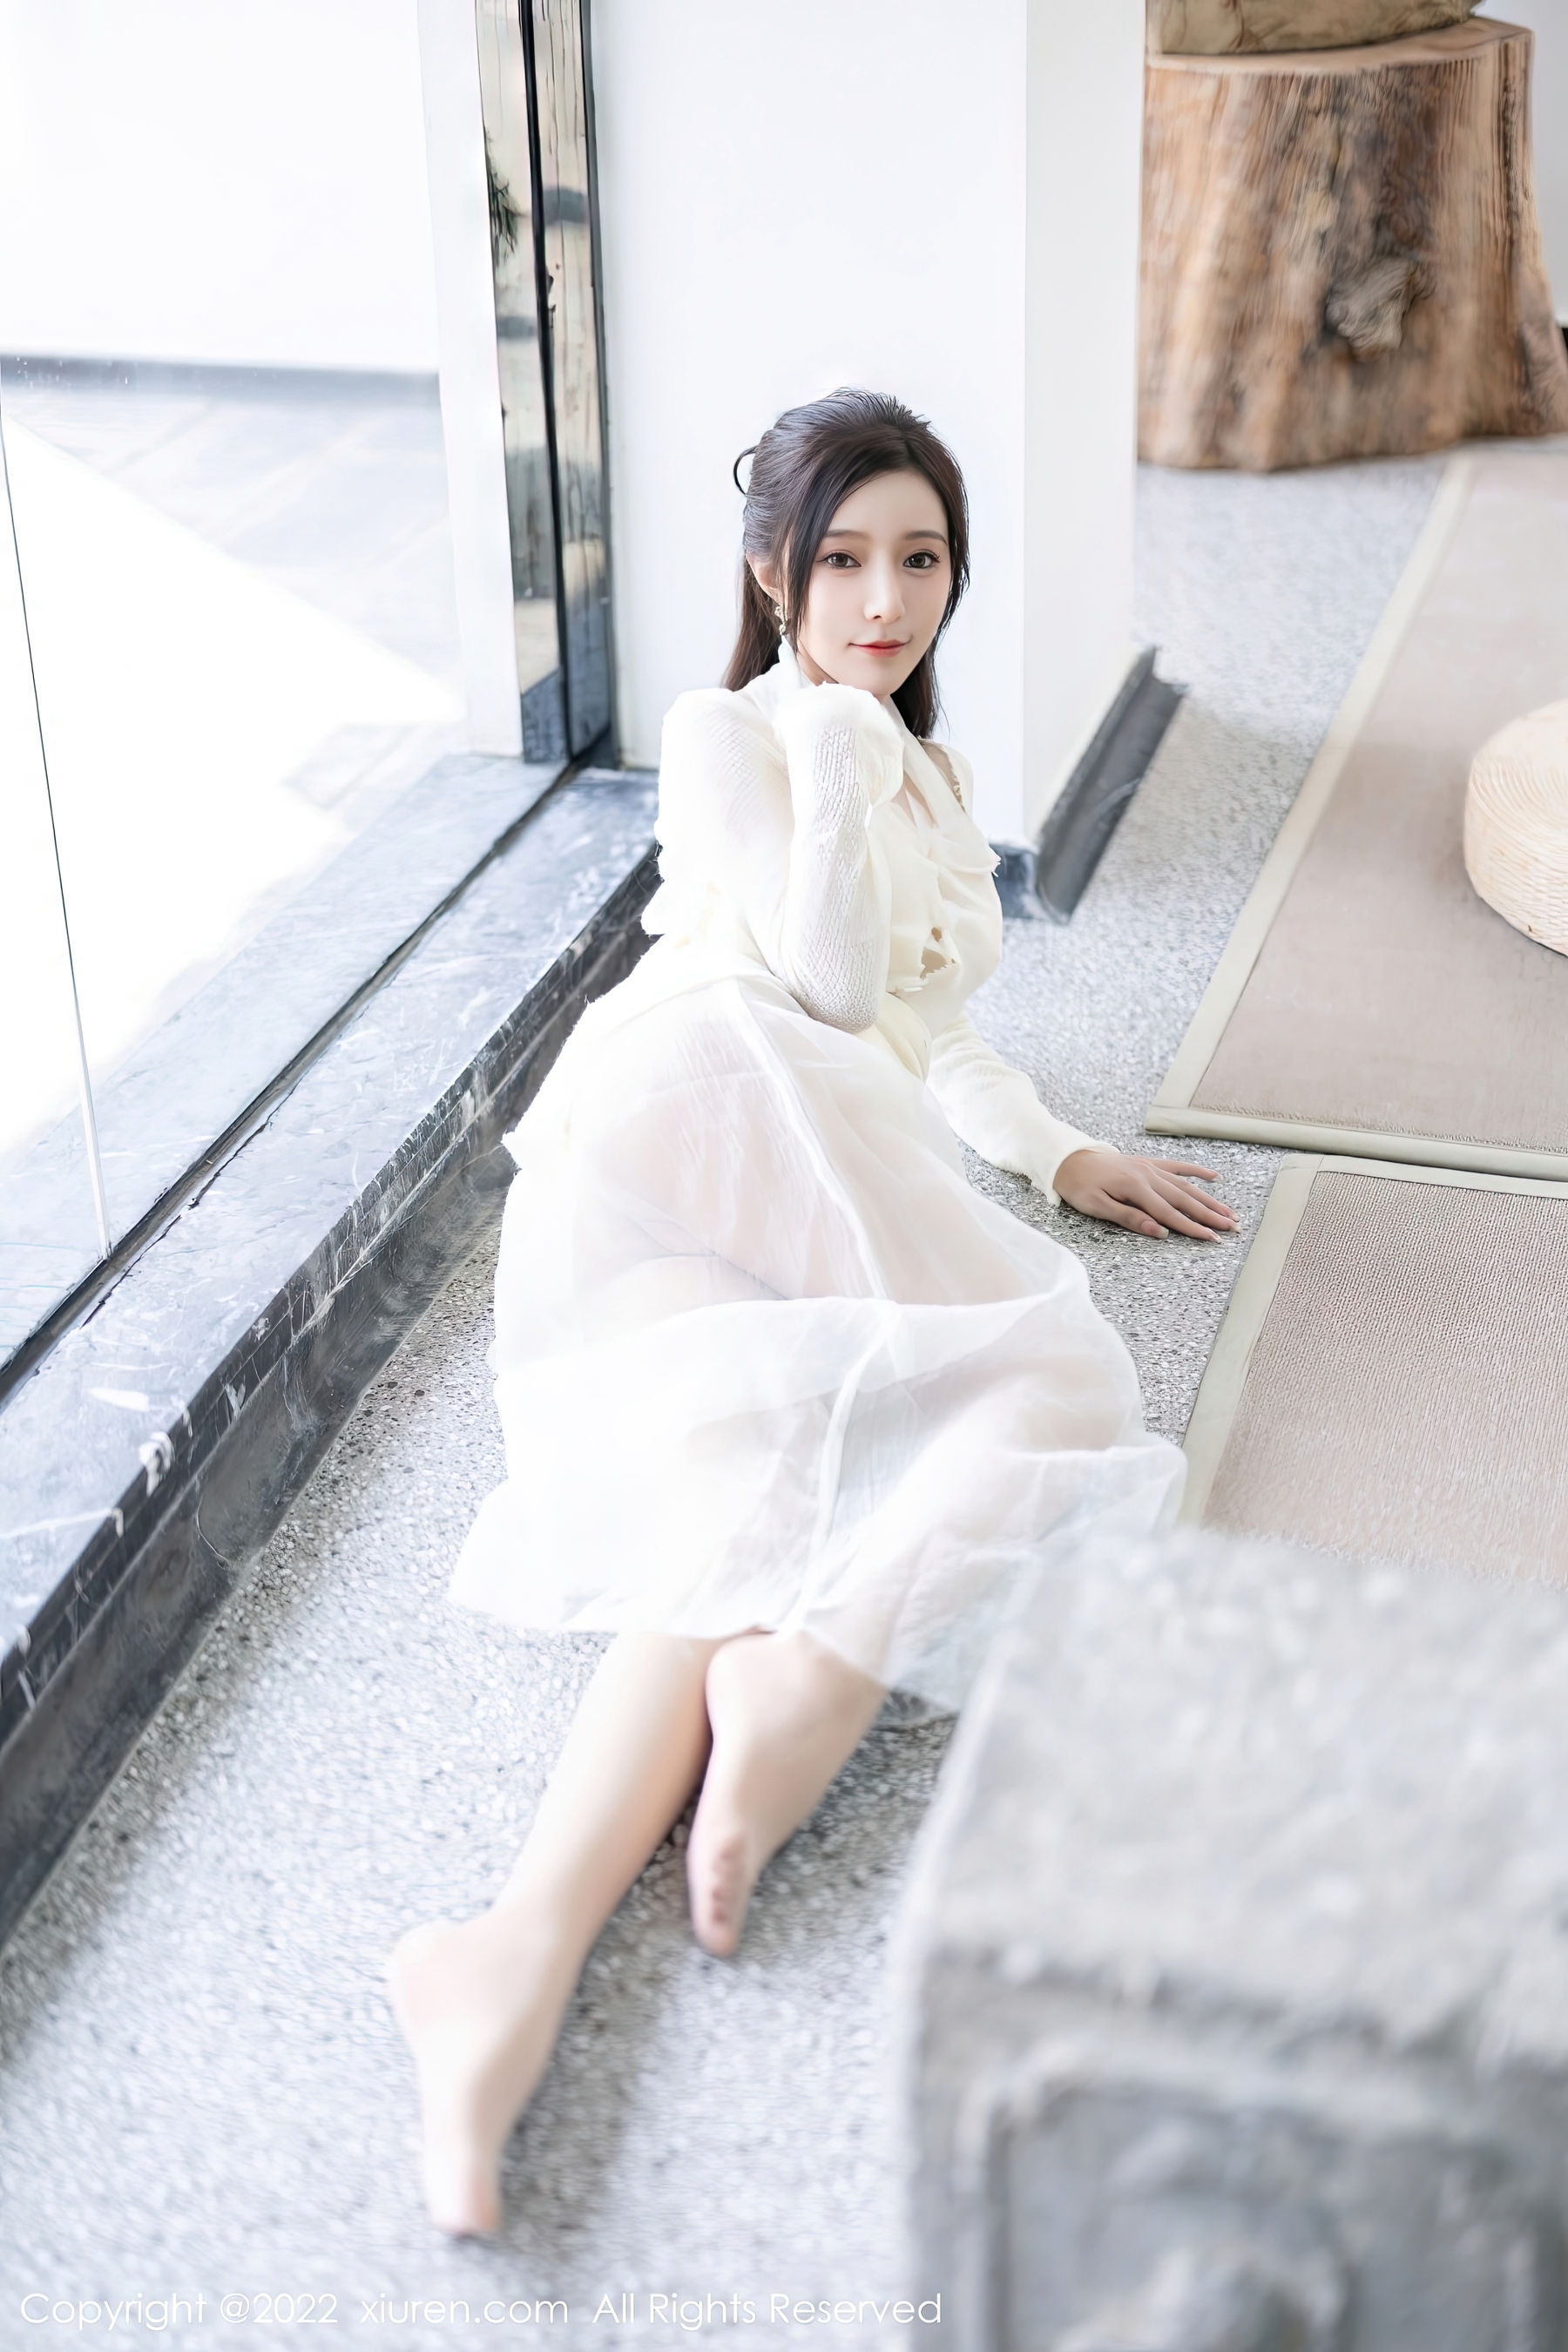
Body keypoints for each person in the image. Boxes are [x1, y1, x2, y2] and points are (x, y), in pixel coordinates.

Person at [387, 389, 1235, 2238]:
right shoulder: (737, 729)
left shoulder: (931, 774)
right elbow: (829, 990)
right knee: (1050, 1385)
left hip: (769, 1142)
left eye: (921, 559)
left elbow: (933, 1040)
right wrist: (842, 744)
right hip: (711, 1087)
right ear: (771, 573)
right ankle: (820, 1664)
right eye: (841, 559)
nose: (886, 599)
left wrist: (1061, 1150)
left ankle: (512, 1953)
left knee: (752, 1484)